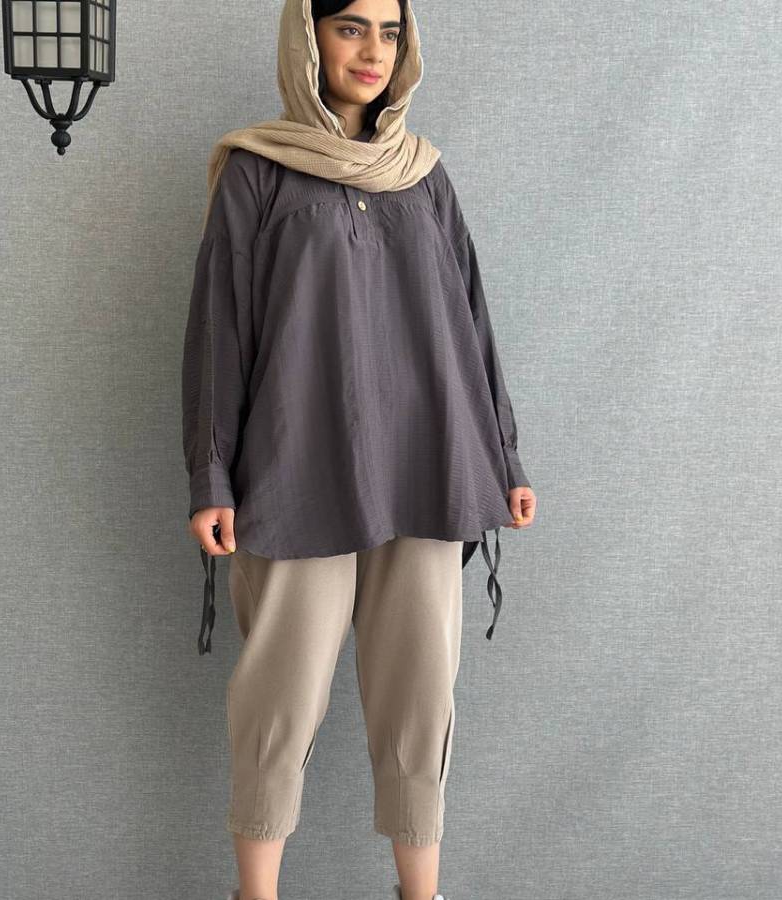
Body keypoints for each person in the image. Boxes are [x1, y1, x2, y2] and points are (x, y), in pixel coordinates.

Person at [181, 1, 538, 898]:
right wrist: (211, 475)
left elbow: (471, 320)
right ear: (307, 39)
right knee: (278, 697)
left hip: (430, 464)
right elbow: (220, 332)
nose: (374, 50)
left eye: (390, 31)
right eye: (350, 27)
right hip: (297, 466)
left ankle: (422, 894)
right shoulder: (258, 172)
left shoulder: (424, 175)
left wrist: (504, 457)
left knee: (420, 697)